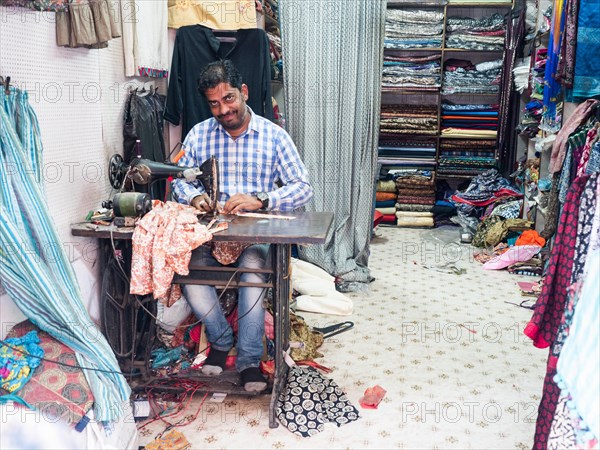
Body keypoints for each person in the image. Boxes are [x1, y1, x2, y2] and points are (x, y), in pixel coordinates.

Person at [172, 60, 313, 392]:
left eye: (229, 99)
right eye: (215, 104)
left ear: (244, 92)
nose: (223, 110)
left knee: (252, 273)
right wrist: (194, 198)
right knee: (188, 270)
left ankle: (249, 360)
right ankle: (220, 342)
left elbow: (303, 187)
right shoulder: (199, 134)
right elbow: (180, 179)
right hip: (213, 233)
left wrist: (261, 199)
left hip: (256, 235)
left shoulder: (274, 136)